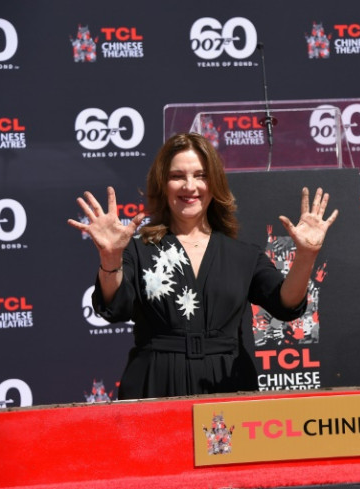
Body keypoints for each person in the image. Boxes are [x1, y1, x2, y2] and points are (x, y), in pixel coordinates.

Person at [67, 132, 338, 399]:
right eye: (177, 176)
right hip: (154, 383)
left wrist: (306, 255)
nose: (189, 186)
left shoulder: (243, 255)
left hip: (228, 383)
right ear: (162, 184)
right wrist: (111, 258)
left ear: (215, 184)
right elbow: (115, 307)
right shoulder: (138, 250)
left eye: (200, 175)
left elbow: (286, 304)